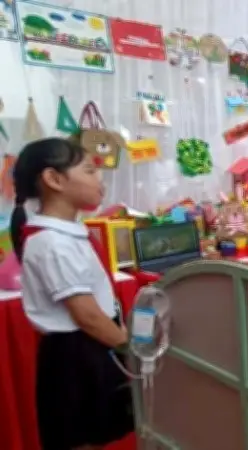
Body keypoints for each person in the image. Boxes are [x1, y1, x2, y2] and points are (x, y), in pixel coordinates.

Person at [10, 138, 133, 450]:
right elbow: (87, 315)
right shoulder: (51, 242)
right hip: (76, 355)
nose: (100, 180)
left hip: (94, 344)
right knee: (80, 438)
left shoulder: (69, 232)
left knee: (100, 433)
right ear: (54, 179)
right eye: (89, 171)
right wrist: (130, 349)